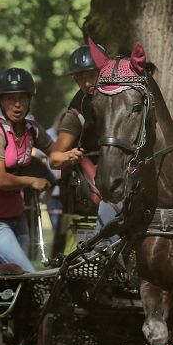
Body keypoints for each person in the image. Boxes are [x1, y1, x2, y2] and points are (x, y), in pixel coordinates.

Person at [0, 67, 54, 273]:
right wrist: (32, 181)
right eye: (10, 98)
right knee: (26, 273)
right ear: (0, 101)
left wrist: (73, 150)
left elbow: (57, 152)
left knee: (15, 280)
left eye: (22, 98)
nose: (17, 104)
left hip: (17, 215)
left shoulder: (31, 129)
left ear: (30, 99)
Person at [49, 43, 120, 233]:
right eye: (80, 78)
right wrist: (69, 156)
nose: (87, 83)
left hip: (124, 180)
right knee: (86, 247)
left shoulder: (123, 99)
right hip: (89, 197)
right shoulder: (76, 112)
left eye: (91, 75)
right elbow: (54, 159)